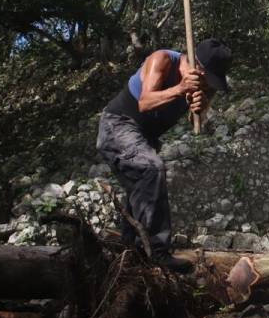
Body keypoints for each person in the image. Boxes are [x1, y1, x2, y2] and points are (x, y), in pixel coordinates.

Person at [96, 38, 232, 269]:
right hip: (118, 125)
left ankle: (128, 254)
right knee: (151, 169)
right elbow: (145, 103)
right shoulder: (162, 60)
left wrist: (197, 107)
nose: (209, 87)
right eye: (208, 81)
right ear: (197, 68)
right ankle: (156, 252)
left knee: (140, 193)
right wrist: (180, 89)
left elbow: (195, 118)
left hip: (144, 138)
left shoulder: (203, 84)